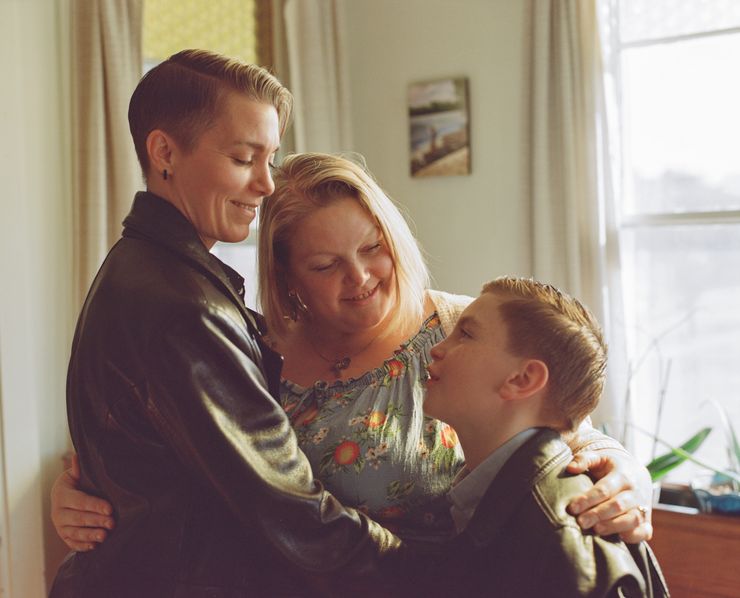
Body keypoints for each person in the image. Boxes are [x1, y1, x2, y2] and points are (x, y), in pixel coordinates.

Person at [53, 153, 654, 557]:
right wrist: (80, 498)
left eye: (373, 248)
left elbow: (568, 429)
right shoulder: (252, 355)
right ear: (287, 278)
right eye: (325, 265)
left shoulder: (462, 329)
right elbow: (159, 455)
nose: (361, 277)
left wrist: (629, 474)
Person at [50, 51, 405, 598]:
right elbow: (289, 511)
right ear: (164, 152)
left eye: (270, 158)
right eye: (244, 158)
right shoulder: (180, 305)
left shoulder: (152, 269)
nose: (266, 184)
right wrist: (436, 572)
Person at [422, 276, 668, 597]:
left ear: (523, 378)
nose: (436, 348)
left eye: (466, 334)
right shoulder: (492, 498)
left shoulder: (561, 534)